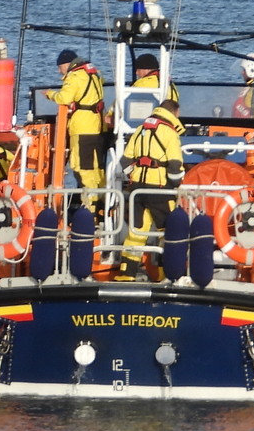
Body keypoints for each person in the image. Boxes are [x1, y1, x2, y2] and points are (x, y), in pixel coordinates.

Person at [119, 96, 185, 278]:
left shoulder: (141, 129)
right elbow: (175, 164)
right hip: (159, 188)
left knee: (137, 231)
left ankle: (127, 273)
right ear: (175, 113)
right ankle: (168, 275)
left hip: (138, 189)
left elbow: (124, 160)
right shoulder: (169, 132)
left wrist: (134, 174)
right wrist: (174, 185)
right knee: (169, 231)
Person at [49, 49, 106, 204]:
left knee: (82, 167)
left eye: (59, 67)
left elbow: (64, 98)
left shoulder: (74, 77)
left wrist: (49, 94)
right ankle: (102, 201)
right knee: (96, 167)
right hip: (97, 126)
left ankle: (90, 207)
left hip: (82, 127)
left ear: (67, 65)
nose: (59, 71)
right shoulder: (94, 74)